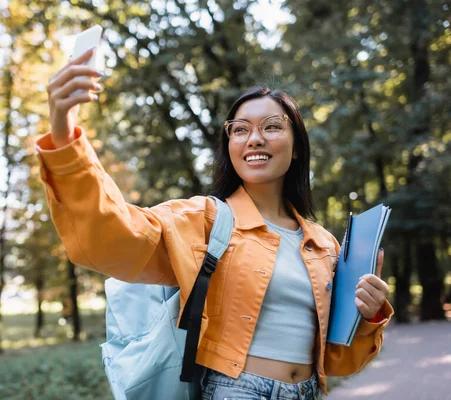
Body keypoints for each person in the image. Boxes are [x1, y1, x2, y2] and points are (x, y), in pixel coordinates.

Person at [36, 48, 394, 400]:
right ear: (230, 145)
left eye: (272, 126)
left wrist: (369, 314)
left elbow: (339, 360)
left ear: (297, 145)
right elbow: (116, 235)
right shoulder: (203, 220)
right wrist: (64, 136)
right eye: (240, 129)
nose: (255, 138)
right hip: (235, 392)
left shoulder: (324, 245)